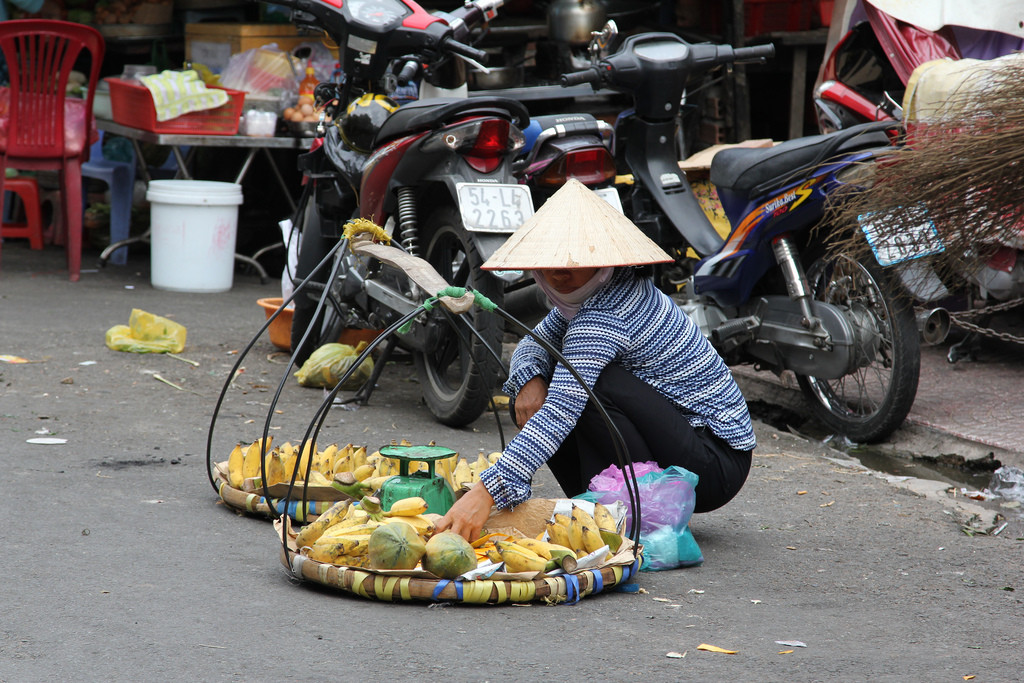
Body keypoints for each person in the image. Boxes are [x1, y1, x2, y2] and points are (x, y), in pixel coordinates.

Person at [435, 179, 757, 542]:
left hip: (715, 460)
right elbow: (532, 346)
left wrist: (486, 491)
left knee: (583, 383)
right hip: (683, 441)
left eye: (574, 262)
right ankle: (599, 504)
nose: (559, 273)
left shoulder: (605, 314)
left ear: (602, 259)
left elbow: (562, 408)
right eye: (550, 262)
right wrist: (529, 380)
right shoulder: (582, 302)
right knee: (536, 390)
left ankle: (609, 514)